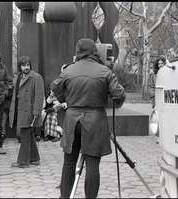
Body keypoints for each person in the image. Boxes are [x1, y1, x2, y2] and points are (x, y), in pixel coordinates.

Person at [50, 38, 125, 198]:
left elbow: (54, 87)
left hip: (71, 120)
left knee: (69, 162)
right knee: (92, 165)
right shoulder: (105, 71)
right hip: (95, 120)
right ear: (95, 52)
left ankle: (64, 197)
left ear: (78, 53)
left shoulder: (69, 70)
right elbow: (118, 95)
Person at [9, 55, 45, 168]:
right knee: (28, 135)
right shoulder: (18, 77)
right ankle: (34, 158)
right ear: (20, 67)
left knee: (24, 135)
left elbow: (39, 97)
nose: (26, 67)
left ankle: (23, 161)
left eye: (28, 65)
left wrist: (36, 112)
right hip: (19, 110)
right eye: (24, 65)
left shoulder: (36, 77)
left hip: (29, 111)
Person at [1, 78, 14, 143]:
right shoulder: (3, 88)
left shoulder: (14, 89)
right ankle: (2, 134)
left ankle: (19, 134)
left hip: (13, 107)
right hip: (5, 107)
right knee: (3, 117)